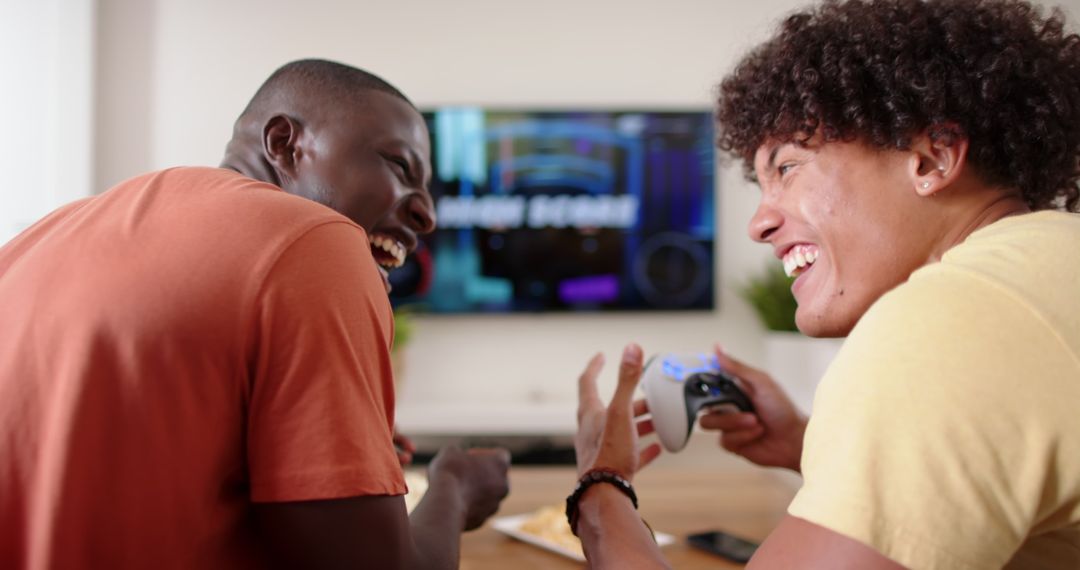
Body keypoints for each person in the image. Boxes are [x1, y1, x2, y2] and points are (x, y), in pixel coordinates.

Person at [570, 0, 1080, 568]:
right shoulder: (1052, 263)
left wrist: (601, 485)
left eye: (786, 167)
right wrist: (810, 445)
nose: (759, 224)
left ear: (932, 158)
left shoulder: (948, 321)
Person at [0, 59, 509, 569]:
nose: (428, 214)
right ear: (284, 143)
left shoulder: (35, 242)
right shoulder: (317, 241)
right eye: (400, 167)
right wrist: (455, 489)